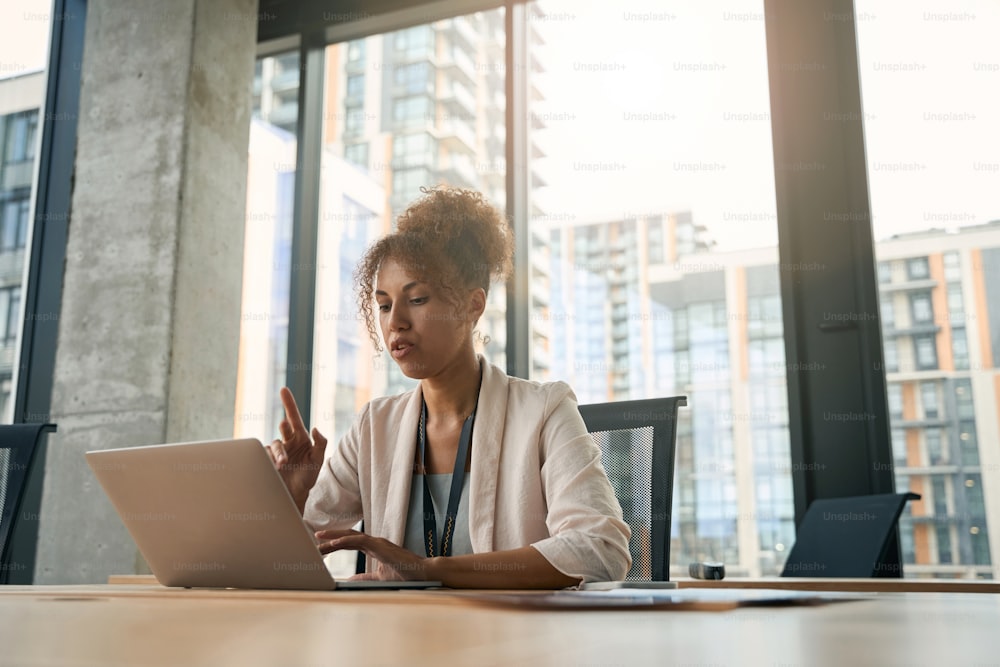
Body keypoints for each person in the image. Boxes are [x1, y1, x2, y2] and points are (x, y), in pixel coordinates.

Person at [268, 186, 630, 588]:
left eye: (417, 299)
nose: (395, 323)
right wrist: (293, 499)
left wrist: (430, 571)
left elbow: (600, 550)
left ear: (473, 305)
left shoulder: (544, 411)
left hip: (511, 644)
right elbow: (285, 563)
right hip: (392, 645)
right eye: (385, 305)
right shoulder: (375, 426)